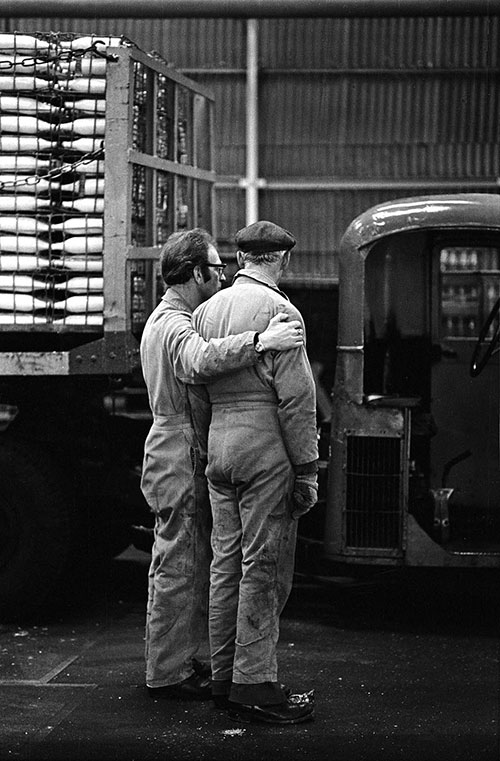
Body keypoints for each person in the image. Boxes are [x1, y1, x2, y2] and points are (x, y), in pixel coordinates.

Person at [140, 227, 304, 702]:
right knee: (181, 563)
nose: (223, 276)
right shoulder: (174, 324)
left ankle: (175, 663)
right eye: (215, 270)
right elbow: (196, 361)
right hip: (179, 447)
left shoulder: (169, 318)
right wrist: (261, 340)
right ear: (195, 273)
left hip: (173, 445)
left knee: (184, 560)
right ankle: (168, 674)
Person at [191, 220, 319, 725]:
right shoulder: (281, 313)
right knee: (264, 567)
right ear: (280, 260)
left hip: (220, 447)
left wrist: (210, 446)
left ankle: (224, 677)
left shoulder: (205, 311)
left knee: (225, 566)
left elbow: (197, 387)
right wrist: (307, 469)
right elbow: (297, 399)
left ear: (242, 258)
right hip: (267, 450)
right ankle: (255, 683)